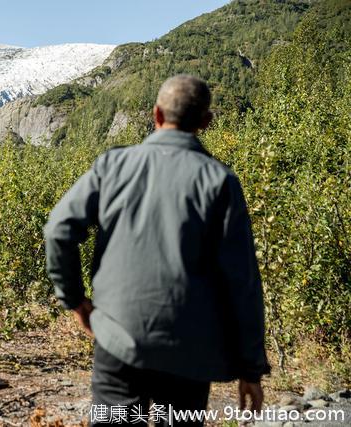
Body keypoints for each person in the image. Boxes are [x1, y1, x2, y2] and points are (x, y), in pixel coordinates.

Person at [43, 74, 270, 426]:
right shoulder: (220, 181)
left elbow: (59, 230)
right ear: (206, 123)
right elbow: (242, 281)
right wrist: (250, 368)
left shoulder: (112, 167)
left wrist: (75, 301)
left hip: (118, 338)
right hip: (190, 349)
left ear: (156, 115)